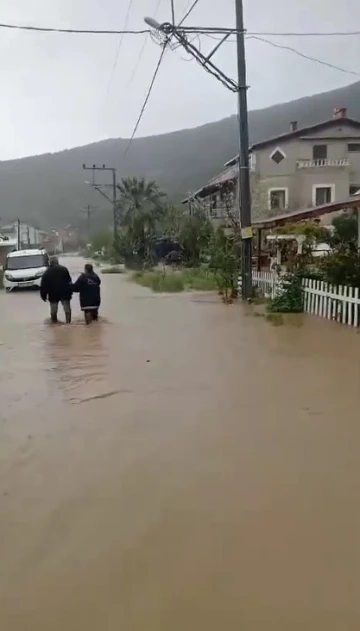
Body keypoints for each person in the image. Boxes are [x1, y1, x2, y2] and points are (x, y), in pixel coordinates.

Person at [40, 256, 72, 324]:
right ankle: (68, 323)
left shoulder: (47, 272)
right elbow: (69, 281)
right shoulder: (64, 269)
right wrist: (70, 291)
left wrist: (43, 295)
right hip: (65, 293)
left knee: (53, 310)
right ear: (57, 262)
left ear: (50, 262)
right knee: (67, 309)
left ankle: (54, 323)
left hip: (53, 294)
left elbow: (43, 285)